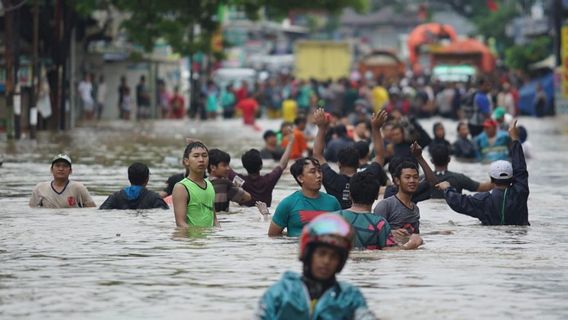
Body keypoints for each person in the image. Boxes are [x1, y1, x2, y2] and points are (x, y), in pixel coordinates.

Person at [255, 213, 377, 320]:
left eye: (334, 256)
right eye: (321, 253)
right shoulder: (280, 292)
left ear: (341, 262)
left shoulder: (349, 297)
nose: (326, 261)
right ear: (308, 254)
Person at [436, 121, 529, 225]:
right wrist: (515, 139)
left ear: (492, 179)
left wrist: (447, 189)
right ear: (512, 178)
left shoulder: (483, 201)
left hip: (492, 239)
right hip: (518, 238)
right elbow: (520, 169)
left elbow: (459, 202)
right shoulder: (520, 192)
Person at [313, 109, 388, 209]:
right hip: (363, 220)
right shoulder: (367, 178)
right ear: (358, 164)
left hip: (340, 221)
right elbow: (379, 156)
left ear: (339, 164)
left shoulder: (332, 179)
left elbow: (317, 155)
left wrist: (321, 128)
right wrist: (376, 128)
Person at [335, 172, 423, 250]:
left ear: (350, 195)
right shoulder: (379, 223)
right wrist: (411, 245)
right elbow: (391, 252)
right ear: (376, 196)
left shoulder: (334, 217)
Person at [268, 157, 342, 237]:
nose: (318, 175)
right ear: (300, 178)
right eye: (313, 172)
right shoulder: (288, 204)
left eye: (319, 171)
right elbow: (273, 235)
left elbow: (342, 233)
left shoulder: (333, 202)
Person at [229, 134, 294, 207]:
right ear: (261, 165)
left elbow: (227, 170)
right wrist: (291, 142)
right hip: (265, 214)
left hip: (245, 216)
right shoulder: (269, 180)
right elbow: (282, 164)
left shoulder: (241, 180)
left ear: (244, 166)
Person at [374, 157, 432, 234]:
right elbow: (373, 232)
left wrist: (436, 233)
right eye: (407, 177)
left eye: (415, 177)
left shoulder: (415, 209)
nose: (412, 181)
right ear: (397, 180)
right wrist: (393, 232)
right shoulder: (385, 205)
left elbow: (416, 235)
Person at [172, 142, 218, 228]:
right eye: (196, 156)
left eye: (204, 156)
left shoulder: (209, 184)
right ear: (186, 161)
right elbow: (181, 224)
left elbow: (214, 219)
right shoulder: (181, 187)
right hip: (192, 240)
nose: (201, 159)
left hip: (209, 240)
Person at [30, 154, 96, 208]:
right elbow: (32, 211)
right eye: (57, 166)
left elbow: (91, 209)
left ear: (70, 171)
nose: (61, 169)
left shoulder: (78, 188)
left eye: (65, 166)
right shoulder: (40, 188)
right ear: (51, 169)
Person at [99, 162, 169, 210]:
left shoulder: (115, 197)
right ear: (147, 179)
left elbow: (102, 212)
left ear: (129, 178)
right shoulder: (155, 198)